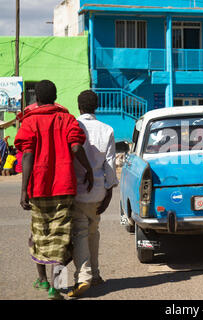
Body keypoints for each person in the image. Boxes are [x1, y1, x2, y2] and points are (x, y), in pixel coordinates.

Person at [14, 80, 94, 300]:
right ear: (55, 96)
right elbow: (76, 147)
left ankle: (42, 279)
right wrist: (88, 169)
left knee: (39, 234)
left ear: (36, 99)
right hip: (64, 188)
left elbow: (28, 154)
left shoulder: (29, 122)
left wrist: (24, 190)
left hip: (38, 189)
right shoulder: (66, 119)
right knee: (60, 238)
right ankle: (56, 288)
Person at [68, 90, 119, 298]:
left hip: (76, 190)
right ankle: (95, 274)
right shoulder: (107, 130)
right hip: (98, 191)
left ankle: (84, 276)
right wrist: (109, 192)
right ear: (96, 107)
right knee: (93, 231)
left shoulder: (72, 126)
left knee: (79, 232)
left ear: (79, 106)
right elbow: (110, 164)